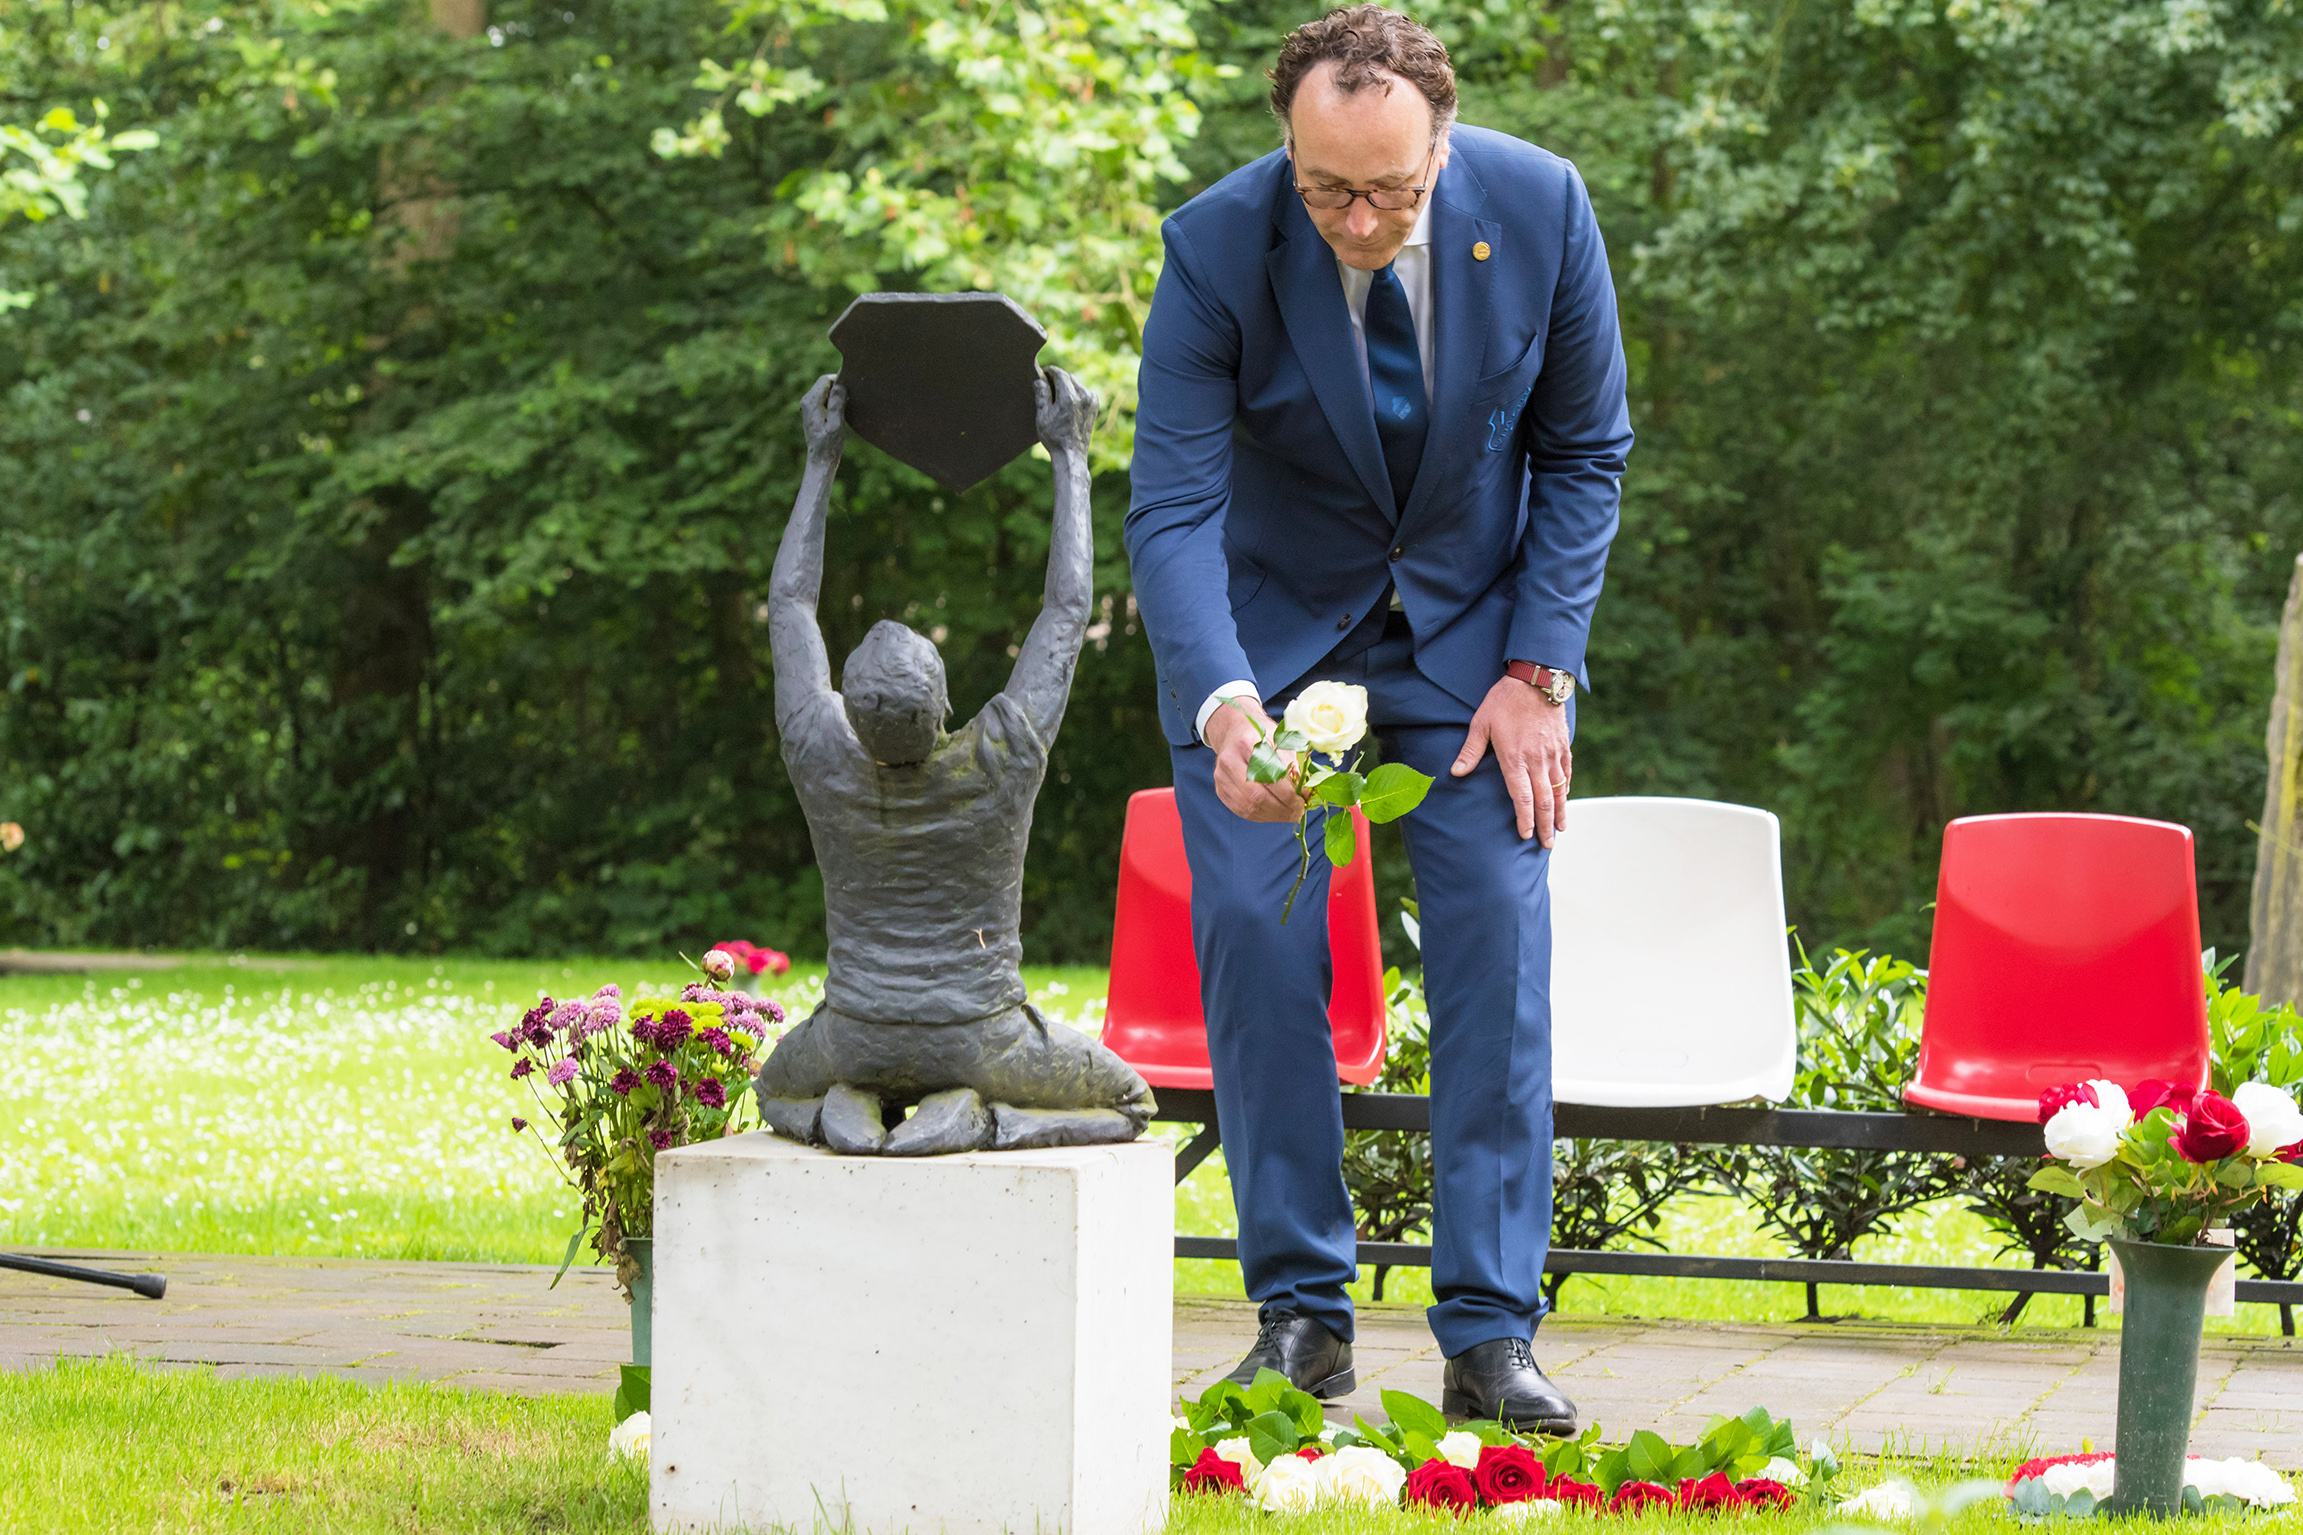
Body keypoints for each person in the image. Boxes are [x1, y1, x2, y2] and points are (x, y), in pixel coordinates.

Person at [1123, 5, 1631, 1429]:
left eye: (1389, 192)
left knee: (1493, 947)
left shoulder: (1541, 207)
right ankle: (1299, 1317)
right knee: (1257, 942)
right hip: (1270, 651)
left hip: (1476, 658)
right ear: (1286, 144)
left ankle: (1486, 1332)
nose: (1357, 217)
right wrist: (1224, 706)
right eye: (1326, 187)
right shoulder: (1214, 244)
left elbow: (1584, 447)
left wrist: (1540, 672)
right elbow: (1168, 503)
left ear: (1441, 147)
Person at [754, 368, 1155, 1156]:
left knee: (773, 1087)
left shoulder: (819, 748)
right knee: (1131, 1099)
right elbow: (1067, 608)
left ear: (854, 712)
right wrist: (1069, 454)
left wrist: (819, 459)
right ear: (943, 710)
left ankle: (843, 1108)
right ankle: (989, 1120)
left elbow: (792, 604)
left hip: (853, 1036)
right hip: (983, 1039)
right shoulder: (999, 757)